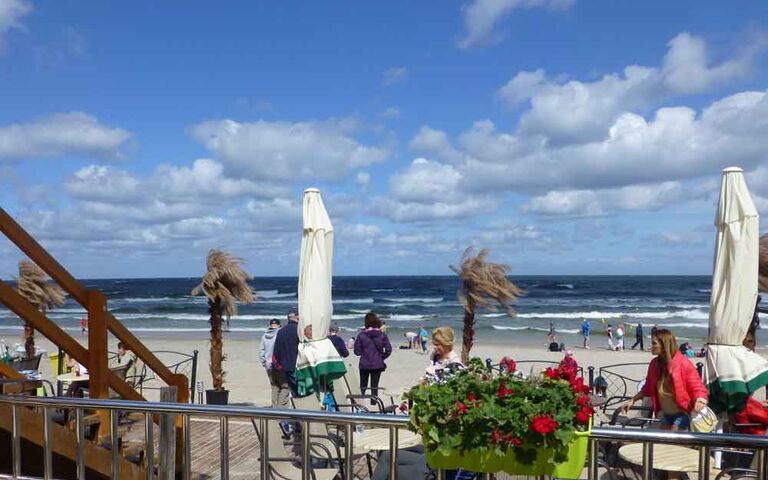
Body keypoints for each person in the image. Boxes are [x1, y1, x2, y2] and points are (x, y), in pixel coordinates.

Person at [622, 329, 708, 430]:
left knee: (672, 437)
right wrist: (632, 400)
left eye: (654, 343)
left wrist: (701, 399)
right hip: (666, 414)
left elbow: (696, 385)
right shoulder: (654, 364)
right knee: (663, 440)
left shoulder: (682, 363)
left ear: (664, 345)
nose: (651, 346)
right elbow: (648, 388)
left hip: (682, 412)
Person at [353, 312, 392, 399]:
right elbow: (388, 349)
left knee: (363, 386)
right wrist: (381, 357)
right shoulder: (382, 335)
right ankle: (374, 403)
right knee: (374, 386)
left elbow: (357, 352)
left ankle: (361, 405)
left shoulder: (361, 335)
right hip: (377, 364)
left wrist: (364, 352)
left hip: (364, 363)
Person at [272, 311, 300, 402]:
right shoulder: (299, 331)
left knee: (294, 390)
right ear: (296, 317)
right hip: (299, 364)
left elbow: (276, 351)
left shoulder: (281, 331)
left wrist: (280, 363)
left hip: (286, 366)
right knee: (302, 390)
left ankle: (297, 409)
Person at [260, 318, 286, 407]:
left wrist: (265, 363)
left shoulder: (264, 335)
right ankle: (281, 406)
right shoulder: (280, 334)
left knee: (274, 386)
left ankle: (274, 406)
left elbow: (262, 352)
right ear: (279, 325)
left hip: (269, 365)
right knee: (284, 386)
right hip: (278, 364)